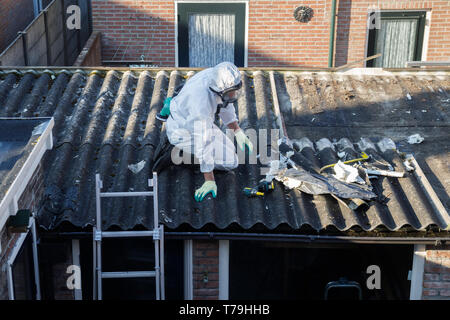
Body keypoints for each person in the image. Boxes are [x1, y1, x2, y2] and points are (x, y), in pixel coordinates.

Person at [153, 62, 253, 202]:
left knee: (231, 149)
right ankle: (177, 153)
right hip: (184, 132)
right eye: (231, 91)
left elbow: (226, 105)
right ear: (219, 90)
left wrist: (238, 132)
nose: (234, 94)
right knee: (231, 162)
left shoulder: (217, 76)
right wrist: (209, 180)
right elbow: (203, 141)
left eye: (235, 90)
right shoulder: (200, 104)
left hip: (190, 120)